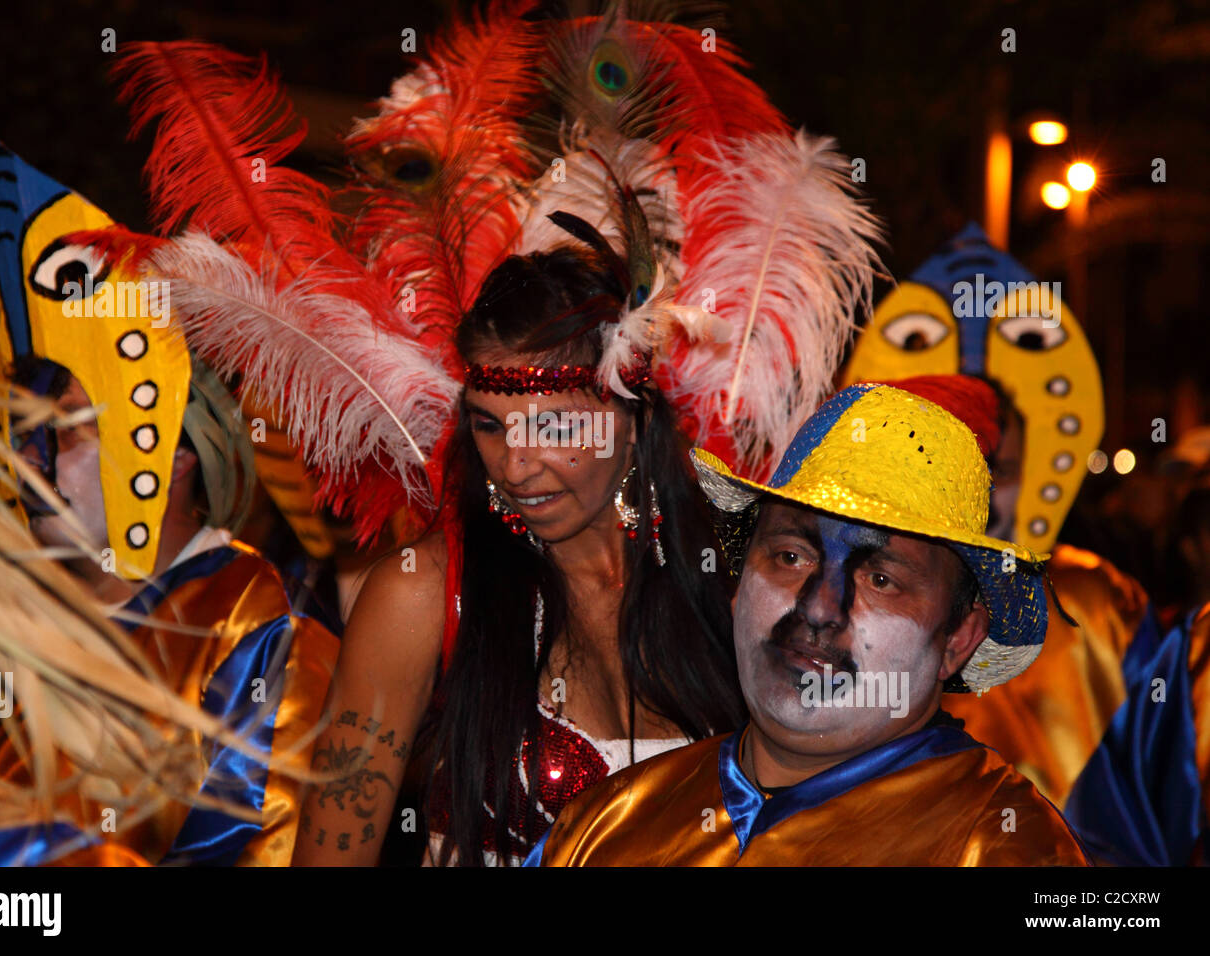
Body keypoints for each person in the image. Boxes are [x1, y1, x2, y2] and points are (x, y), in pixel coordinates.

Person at [82, 13, 879, 865]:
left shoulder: (737, 583)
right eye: (492, 427)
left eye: (554, 425)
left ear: (630, 417)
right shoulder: (427, 594)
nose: (516, 462)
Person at [0, 137, 339, 865]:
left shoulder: (258, 634)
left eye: (62, 429)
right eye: (13, 428)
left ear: (171, 452)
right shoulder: (4, 621)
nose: (22, 459)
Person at [526, 382, 1090, 865]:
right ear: (738, 582)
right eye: (792, 557)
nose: (820, 608)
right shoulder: (609, 823)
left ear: (958, 638)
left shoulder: (1002, 845)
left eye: (881, 581)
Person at [842, 225, 1206, 865]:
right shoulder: (844, 602)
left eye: (996, 475)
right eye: (953, 479)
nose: (975, 504)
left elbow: (1171, 763)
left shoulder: (1095, 602)